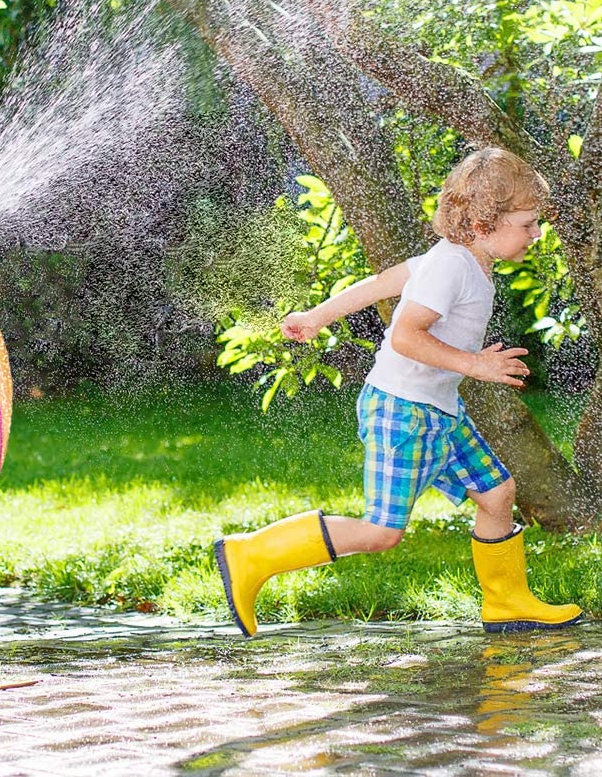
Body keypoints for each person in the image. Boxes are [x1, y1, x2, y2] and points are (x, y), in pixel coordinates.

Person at [214, 147, 583, 636]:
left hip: (440, 411)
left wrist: (318, 316)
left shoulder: (456, 258)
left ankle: (507, 602)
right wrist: (476, 364)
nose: (536, 234)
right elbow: (407, 336)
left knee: (497, 493)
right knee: (382, 532)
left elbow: (386, 281)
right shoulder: (452, 267)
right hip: (403, 412)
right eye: (527, 223)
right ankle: (250, 554)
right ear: (480, 223)